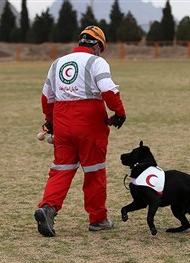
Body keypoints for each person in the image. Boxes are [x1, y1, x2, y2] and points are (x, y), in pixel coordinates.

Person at [34, 26, 126, 237]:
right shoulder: (96, 62)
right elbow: (108, 89)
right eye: (100, 48)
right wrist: (119, 112)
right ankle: (98, 219)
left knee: (61, 169)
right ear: (96, 45)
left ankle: (48, 208)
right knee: (94, 172)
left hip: (62, 120)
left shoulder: (57, 63)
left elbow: (46, 97)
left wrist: (50, 122)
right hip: (90, 122)